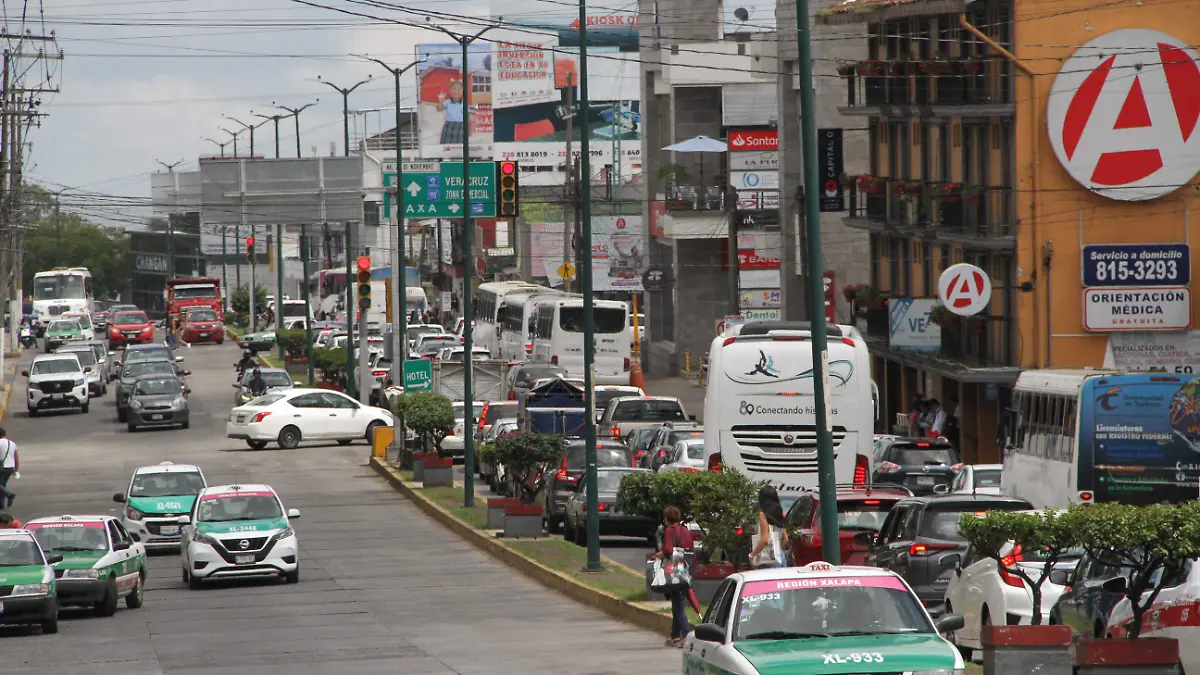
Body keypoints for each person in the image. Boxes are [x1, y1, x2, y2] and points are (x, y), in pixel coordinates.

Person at [654, 505, 694, 648]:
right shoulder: (685, 531)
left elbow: (668, 550)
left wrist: (658, 555)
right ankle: (674, 635)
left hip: (674, 570)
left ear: (666, 519)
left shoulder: (669, 531)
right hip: (685, 569)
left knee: (677, 604)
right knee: (677, 601)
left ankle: (686, 633)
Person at [749, 485, 789, 569]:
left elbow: (765, 539)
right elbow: (785, 539)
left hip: (768, 559)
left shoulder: (763, 515)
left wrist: (752, 555)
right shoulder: (779, 514)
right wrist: (776, 549)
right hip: (780, 556)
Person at [436, 80, 466, 144]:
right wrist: (441, 102)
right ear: (450, 90)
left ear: (463, 91)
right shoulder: (447, 102)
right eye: (454, 88)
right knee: (446, 146)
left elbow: (468, 116)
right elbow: (439, 109)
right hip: (449, 125)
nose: (456, 91)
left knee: (459, 146)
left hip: (461, 126)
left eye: (459, 89)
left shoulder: (464, 103)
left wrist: (469, 131)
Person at [0, 429, 17, 509]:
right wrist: (16, 469)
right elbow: (16, 457)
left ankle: (9, 494)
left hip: (2, 467)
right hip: (10, 467)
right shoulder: (12, 443)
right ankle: (1, 504)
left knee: (1, 486)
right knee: (2, 485)